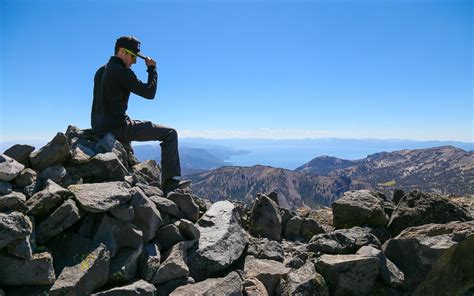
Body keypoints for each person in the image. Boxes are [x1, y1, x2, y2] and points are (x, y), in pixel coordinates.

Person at [91, 36, 190, 192]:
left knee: (130, 121)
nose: (134, 61)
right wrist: (152, 69)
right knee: (170, 133)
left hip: (99, 127)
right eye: (133, 56)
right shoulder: (121, 72)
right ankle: (169, 183)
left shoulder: (100, 70)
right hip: (116, 128)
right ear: (122, 51)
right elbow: (149, 92)